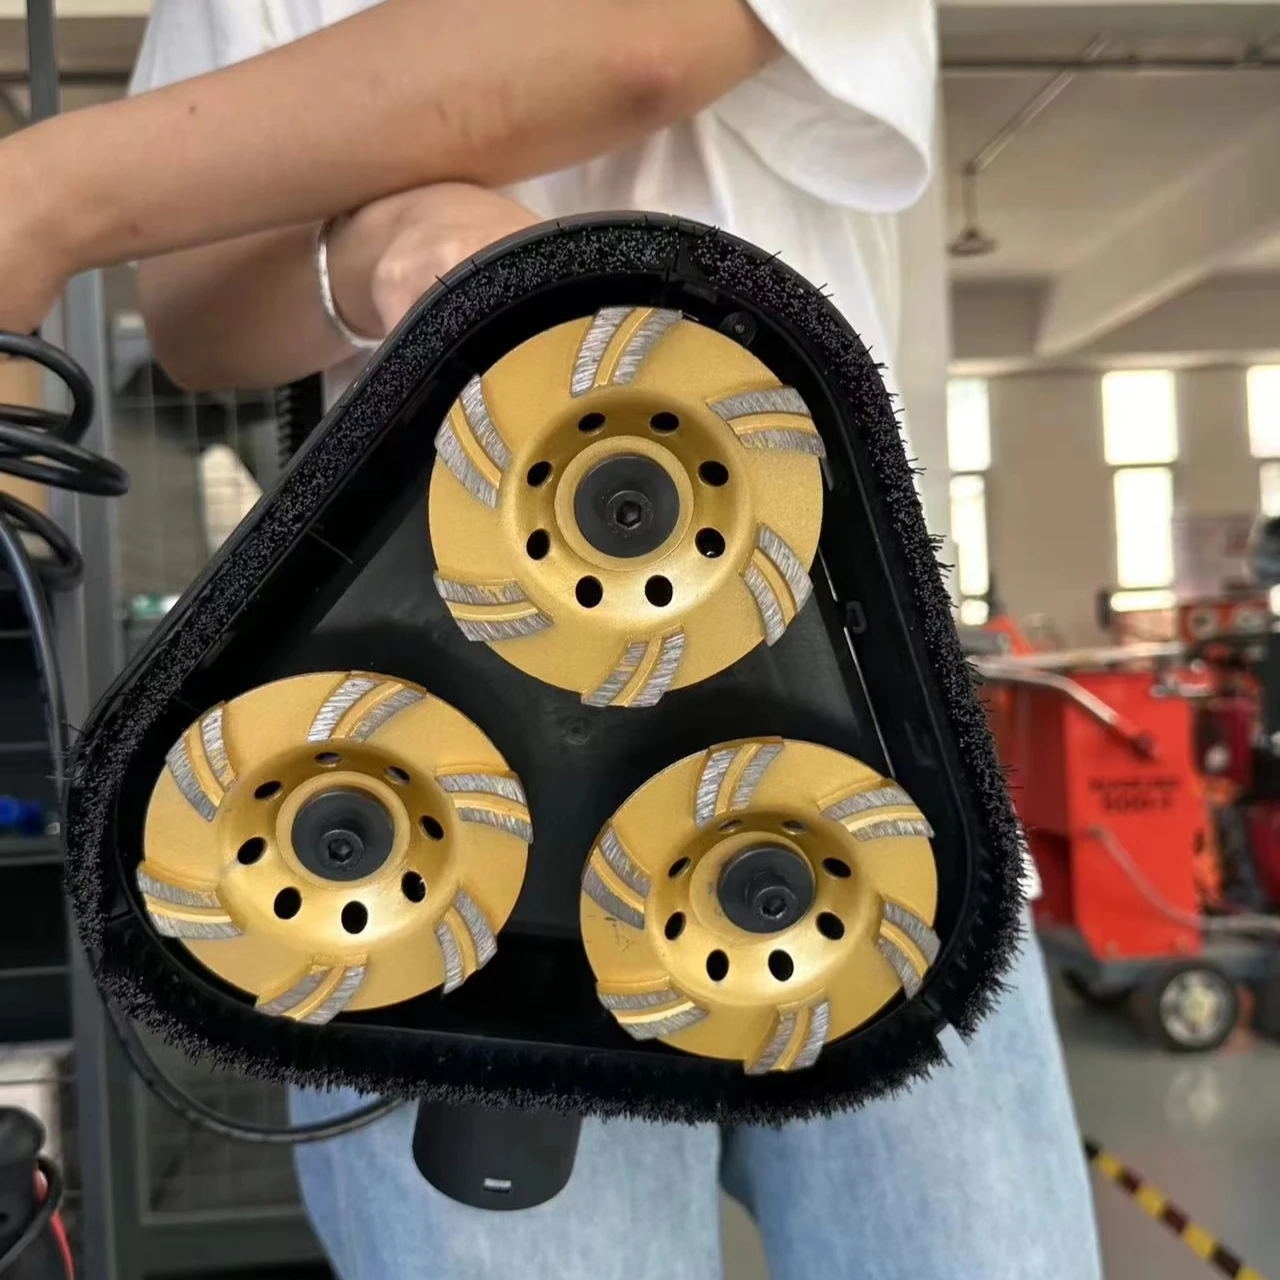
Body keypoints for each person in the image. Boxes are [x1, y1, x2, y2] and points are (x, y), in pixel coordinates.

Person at [0, 2, 1102, 1276]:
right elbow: (196, 320)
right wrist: (383, 254)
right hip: (422, 822)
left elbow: (652, 40)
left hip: (848, 745)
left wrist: (49, 189)